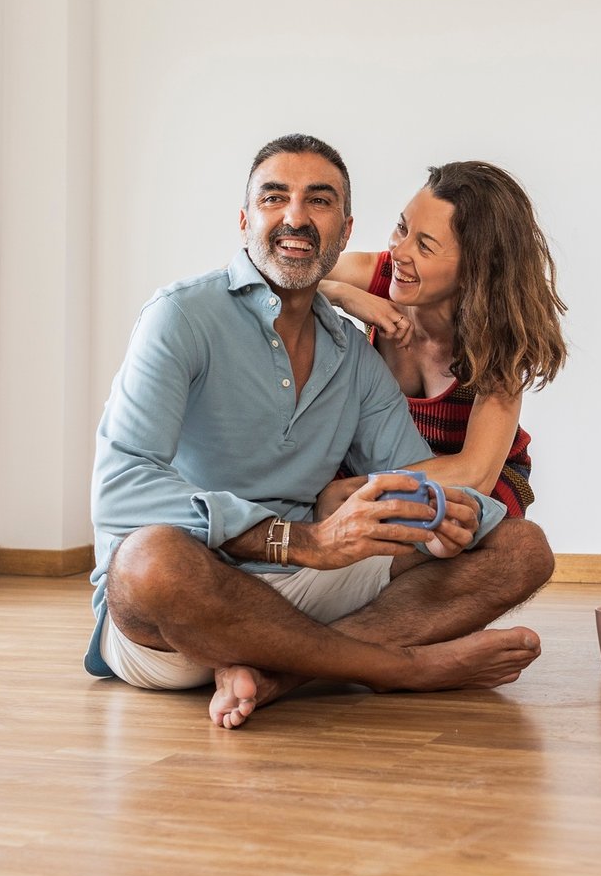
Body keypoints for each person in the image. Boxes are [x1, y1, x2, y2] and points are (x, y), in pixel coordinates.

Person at [87, 134, 553, 729]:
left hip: (308, 590)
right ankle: (399, 667)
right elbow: (121, 491)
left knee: (521, 547)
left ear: (345, 227)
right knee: (149, 559)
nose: (296, 216)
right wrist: (301, 541)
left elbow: (411, 473)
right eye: (274, 197)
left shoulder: (354, 359)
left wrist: (453, 520)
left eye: (320, 200)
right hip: (193, 604)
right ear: (244, 219)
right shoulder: (181, 317)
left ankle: (278, 671)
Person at [314, 161, 567, 519]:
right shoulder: (380, 275)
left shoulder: (498, 335)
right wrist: (339, 293)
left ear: (474, 269)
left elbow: (475, 473)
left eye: (425, 246)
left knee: (467, 530)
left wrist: (355, 489)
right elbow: (269, 281)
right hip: (374, 462)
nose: (400, 251)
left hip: (463, 479)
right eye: (402, 227)